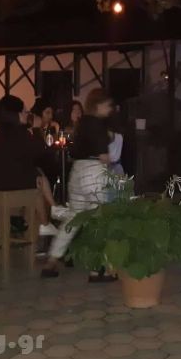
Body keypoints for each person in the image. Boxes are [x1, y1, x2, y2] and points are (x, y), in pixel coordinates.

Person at [42, 88, 116, 281]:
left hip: (77, 171)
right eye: (108, 106)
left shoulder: (81, 124)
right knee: (99, 221)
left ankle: (52, 260)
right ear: (99, 105)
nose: (110, 110)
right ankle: (97, 269)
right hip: (94, 172)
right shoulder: (98, 125)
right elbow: (103, 156)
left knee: (73, 219)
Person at [0, 95, 57, 237]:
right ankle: (45, 222)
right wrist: (37, 129)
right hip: (10, 185)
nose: (28, 115)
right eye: (25, 112)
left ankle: (41, 222)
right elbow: (41, 152)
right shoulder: (19, 133)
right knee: (37, 180)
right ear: (18, 114)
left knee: (36, 175)